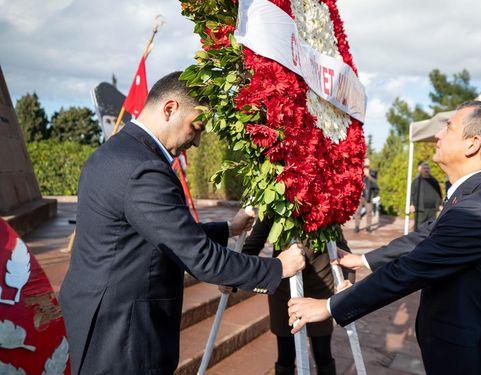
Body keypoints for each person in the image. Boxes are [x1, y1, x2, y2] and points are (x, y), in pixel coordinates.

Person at [59, 72, 305, 375]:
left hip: (97, 314)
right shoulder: (144, 169)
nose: (198, 141)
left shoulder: (114, 153)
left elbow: (154, 233)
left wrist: (228, 228)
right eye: (196, 127)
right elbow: (199, 257)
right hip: (125, 334)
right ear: (170, 108)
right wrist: (278, 268)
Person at [288, 101, 481, 375]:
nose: (438, 135)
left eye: (448, 128)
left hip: (476, 359)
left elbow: (410, 271)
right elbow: (428, 234)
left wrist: (329, 306)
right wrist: (363, 260)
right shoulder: (477, 195)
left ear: (472, 144)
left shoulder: (478, 208)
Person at [235, 218, 354, 375]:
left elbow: (341, 247)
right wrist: (234, 276)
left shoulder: (326, 201)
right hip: (285, 290)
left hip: (321, 290)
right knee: (285, 354)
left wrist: (348, 282)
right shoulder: (274, 203)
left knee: (322, 352)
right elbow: (253, 245)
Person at [410, 161, 442, 230]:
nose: (426, 170)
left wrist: (440, 204)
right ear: (421, 170)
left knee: (431, 228)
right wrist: (411, 204)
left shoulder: (434, 181)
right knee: (419, 228)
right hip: (420, 210)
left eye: (428, 168)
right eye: (424, 168)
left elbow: (439, 193)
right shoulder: (416, 181)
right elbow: (412, 193)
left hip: (432, 210)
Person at [353, 158, 379, 233]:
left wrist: (369, 176)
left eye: (367, 162)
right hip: (360, 195)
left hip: (369, 195)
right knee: (357, 212)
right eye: (365, 162)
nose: (366, 164)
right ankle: (357, 226)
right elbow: (356, 182)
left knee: (369, 212)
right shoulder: (359, 171)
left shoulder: (373, 172)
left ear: (369, 163)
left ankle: (368, 227)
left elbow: (375, 183)